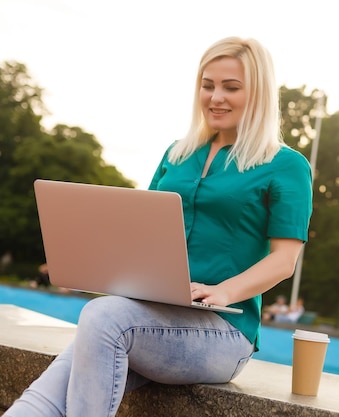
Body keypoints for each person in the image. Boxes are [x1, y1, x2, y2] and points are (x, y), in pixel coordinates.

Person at [5, 36, 313, 417]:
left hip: (222, 333)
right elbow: (142, 230)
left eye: (231, 87)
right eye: (207, 85)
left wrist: (223, 291)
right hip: (146, 318)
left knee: (103, 318)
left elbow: (284, 261)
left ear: (259, 93)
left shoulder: (286, 165)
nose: (216, 97)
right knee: (43, 397)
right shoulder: (176, 153)